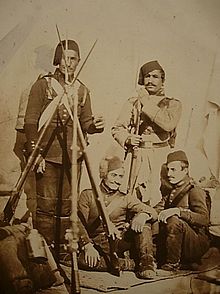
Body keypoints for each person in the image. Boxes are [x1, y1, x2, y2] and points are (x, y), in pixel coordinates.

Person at [24, 39, 105, 255]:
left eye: (74, 59)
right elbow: (30, 121)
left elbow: (86, 123)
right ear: (57, 60)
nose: (69, 63)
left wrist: (96, 126)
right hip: (47, 156)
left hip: (73, 159)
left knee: (68, 206)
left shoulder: (83, 90)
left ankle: (63, 252)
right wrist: (36, 154)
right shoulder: (43, 85)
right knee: (46, 206)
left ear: (79, 62)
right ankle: (46, 254)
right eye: (65, 58)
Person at [111, 60, 182, 206]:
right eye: (147, 76)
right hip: (137, 154)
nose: (150, 80)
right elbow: (117, 128)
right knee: (133, 195)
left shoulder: (173, 104)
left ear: (163, 80)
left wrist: (146, 102)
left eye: (155, 77)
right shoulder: (133, 103)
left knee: (161, 195)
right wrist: (128, 138)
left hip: (160, 155)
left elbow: (168, 124)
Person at [77, 155, 158, 279]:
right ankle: (129, 264)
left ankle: (147, 264)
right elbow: (79, 223)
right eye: (114, 175)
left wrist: (142, 215)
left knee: (144, 223)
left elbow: (152, 212)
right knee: (82, 261)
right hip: (98, 244)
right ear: (104, 175)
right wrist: (87, 245)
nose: (118, 180)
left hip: (120, 241)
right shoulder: (88, 195)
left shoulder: (125, 198)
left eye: (121, 176)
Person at [155, 150, 210, 271]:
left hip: (195, 243)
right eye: (168, 169)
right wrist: (143, 214)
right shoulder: (172, 191)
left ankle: (172, 264)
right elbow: (158, 210)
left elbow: (204, 219)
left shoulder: (194, 190)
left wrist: (178, 211)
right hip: (178, 241)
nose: (169, 174)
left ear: (185, 170)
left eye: (173, 170)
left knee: (174, 220)